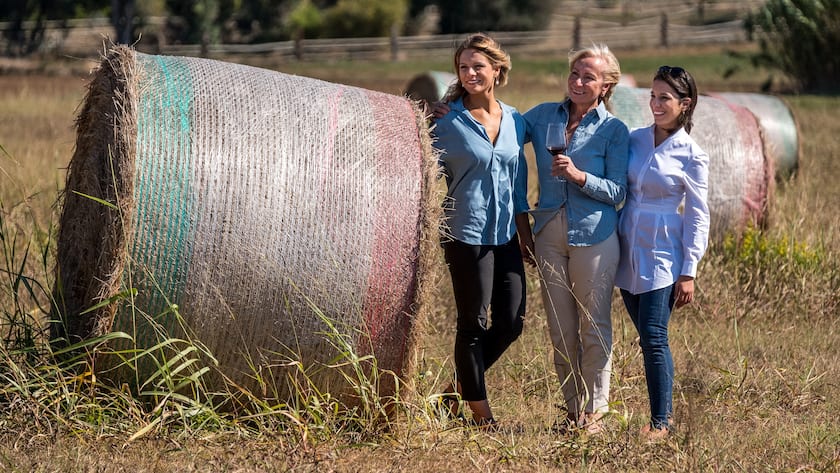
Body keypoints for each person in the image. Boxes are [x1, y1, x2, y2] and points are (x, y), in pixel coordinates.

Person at [521, 44, 629, 434]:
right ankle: (572, 410)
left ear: (606, 86)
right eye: (574, 74)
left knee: (593, 324)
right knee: (560, 328)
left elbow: (618, 191)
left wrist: (579, 177)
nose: (578, 82)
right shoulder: (543, 116)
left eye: (588, 77)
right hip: (548, 233)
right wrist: (454, 109)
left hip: (595, 235)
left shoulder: (613, 130)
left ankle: (596, 411)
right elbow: (500, 127)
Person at [431, 32, 531, 428]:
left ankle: (452, 394)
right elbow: (411, 154)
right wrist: (419, 114)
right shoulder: (445, 120)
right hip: (464, 233)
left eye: (478, 66)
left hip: (505, 234)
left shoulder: (516, 120)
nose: (470, 73)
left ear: (497, 70)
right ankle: (481, 415)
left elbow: (518, 185)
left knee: (511, 323)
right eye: (463, 67)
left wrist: (525, 235)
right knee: (472, 324)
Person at [614, 66, 710, 441]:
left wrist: (689, 270)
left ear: (685, 104)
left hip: (664, 252)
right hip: (626, 246)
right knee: (647, 336)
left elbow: (698, 214)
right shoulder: (634, 139)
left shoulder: (692, 154)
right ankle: (661, 412)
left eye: (664, 98)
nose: (655, 104)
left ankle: (661, 423)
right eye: (652, 96)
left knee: (654, 336)